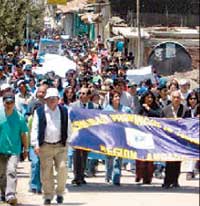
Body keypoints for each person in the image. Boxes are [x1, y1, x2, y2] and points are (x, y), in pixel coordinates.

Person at [31, 88, 68, 205]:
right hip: (45, 146)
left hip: (60, 145)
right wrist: (35, 144)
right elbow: (35, 129)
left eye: (54, 99)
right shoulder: (39, 112)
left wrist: (69, 142)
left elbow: (69, 127)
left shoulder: (64, 111)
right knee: (46, 172)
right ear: (46, 100)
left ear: (58, 100)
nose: (52, 101)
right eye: (50, 99)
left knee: (62, 169)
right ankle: (48, 195)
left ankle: (60, 193)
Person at [0, 92, 28, 205]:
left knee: (11, 171)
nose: (9, 104)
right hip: (1, 149)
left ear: (14, 103)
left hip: (14, 150)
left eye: (11, 102)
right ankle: (3, 193)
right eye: (7, 102)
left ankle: (10, 194)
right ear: (3, 103)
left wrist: (25, 149)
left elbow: (23, 135)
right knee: (1, 174)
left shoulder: (20, 117)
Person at [104, 90, 132, 185]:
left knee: (118, 158)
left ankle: (116, 178)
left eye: (118, 96)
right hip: (109, 137)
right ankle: (108, 177)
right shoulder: (106, 110)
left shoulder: (126, 110)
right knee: (109, 158)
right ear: (111, 98)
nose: (118, 98)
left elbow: (132, 121)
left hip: (121, 137)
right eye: (115, 96)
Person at [69, 87, 97, 185]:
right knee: (76, 155)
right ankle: (76, 177)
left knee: (84, 155)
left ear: (89, 96)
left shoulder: (94, 107)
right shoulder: (73, 106)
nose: (81, 95)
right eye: (80, 93)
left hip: (88, 134)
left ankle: (81, 175)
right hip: (77, 134)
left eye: (84, 93)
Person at [162, 90, 189, 189]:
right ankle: (167, 181)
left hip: (180, 140)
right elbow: (161, 124)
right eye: (174, 97)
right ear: (171, 98)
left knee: (177, 161)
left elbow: (188, 124)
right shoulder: (165, 110)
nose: (176, 99)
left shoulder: (185, 110)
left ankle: (175, 181)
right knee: (169, 161)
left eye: (178, 97)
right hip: (169, 139)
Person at [136, 90, 162, 184]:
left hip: (152, 136)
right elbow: (135, 117)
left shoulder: (156, 107)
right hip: (141, 136)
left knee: (150, 159)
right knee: (140, 158)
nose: (150, 99)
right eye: (148, 97)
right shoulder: (139, 107)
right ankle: (139, 175)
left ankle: (148, 178)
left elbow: (159, 115)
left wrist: (149, 109)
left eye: (151, 97)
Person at [28, 85, 47, 194]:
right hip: (34, 139)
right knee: (35, 162)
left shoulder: (51, 106)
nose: (41, 94)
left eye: (43, 92)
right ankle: (34, 185)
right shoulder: (32, 104)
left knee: (43, 164)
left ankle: (40, 185)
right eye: (39, 91)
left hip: (47, 141)